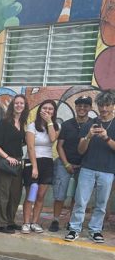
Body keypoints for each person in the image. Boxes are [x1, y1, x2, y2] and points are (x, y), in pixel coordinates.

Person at [65, 89, 115, 243]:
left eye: (107, 105)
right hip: (87, 168)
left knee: (101, 204)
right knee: (81, 201)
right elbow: (80, 151)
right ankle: (74, 228)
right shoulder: (90, 124)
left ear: (113, 105)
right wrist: (88, 137)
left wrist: (106, 138)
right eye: (101, 105)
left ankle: (95, 230)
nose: (104, 109)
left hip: (107, 170)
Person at [48, 95, 91, 232]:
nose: (82, 108)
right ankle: (55, 220)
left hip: (84, 166)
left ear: (90, 108)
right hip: (64, 163)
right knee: (60, 194)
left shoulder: (93, 125)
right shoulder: (66, 124)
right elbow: (59, 146)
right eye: (79, 105)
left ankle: (72, 222)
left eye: (85, 106)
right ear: (76, 107)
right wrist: (66, 164)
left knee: (77, 196)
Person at [0, 94, 29, 233]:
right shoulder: (5, 122)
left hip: (18, 161)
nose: (19, 105)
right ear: (13, 105)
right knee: (3, 193)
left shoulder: (23, 123)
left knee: (15, 194)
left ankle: (10, 221)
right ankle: (0, 224)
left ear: (25, 106)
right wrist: (7, 157)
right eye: (17, 103)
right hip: (6, 162)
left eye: (22, 103)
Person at [21, 99, 59, 234]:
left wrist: (49, 121)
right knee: (31, 194)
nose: (47, 111)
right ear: (39, 110)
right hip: (32, 162)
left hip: (47, 162)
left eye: (50, 109)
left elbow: (53, 139)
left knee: (41, 196)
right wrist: (35, 168)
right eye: (45, 108)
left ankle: (35, 222)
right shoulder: (31, 126)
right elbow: (30, 147)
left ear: (54, 112)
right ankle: (25, 222)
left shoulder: (55, 126)